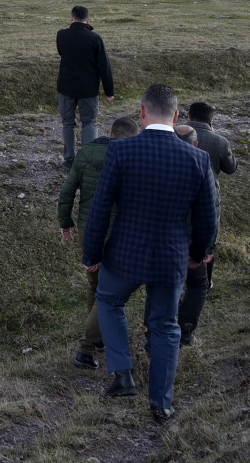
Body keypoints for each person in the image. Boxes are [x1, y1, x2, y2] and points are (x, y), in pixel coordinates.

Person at [83, 84, 217, 423]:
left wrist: (92, 253)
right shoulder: (198, 158)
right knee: (165, 325)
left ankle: (123, 374)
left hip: (124, 254)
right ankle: (162, 403)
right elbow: (207, 218)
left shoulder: (121, 152)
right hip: (171, 258)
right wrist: (199, 254)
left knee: (110, 302)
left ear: (142, 113)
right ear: (176, 115)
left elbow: (100, 209)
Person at [59, 115, 142, 370]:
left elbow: (68, 189)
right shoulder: (129, 156)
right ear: (132, 137)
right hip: (115, 232)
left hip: (86, 228)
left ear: (111, 131)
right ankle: (86, 348)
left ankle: (98, 339)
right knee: (108, 293)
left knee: (94, 288)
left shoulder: (86, 152)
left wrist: (65, 221)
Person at [174, 102, 237, 346]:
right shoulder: (218, 141)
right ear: (212, 120)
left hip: (175, 212)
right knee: (199, 277)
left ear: (188, 116)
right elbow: (231, 168)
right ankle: (186, 329)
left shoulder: (176, 133)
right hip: (206, 205)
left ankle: (170, 315)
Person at [56, 5, 115, 165]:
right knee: (89, 122)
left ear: (71, 17)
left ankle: (69, 158)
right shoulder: (95, 38)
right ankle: (89, 160)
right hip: (88, 89)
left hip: (66, 87)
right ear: (88, 20)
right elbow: (104, 66)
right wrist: (109, 91)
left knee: (68, 122)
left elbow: (61, 52)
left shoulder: (61, 35)